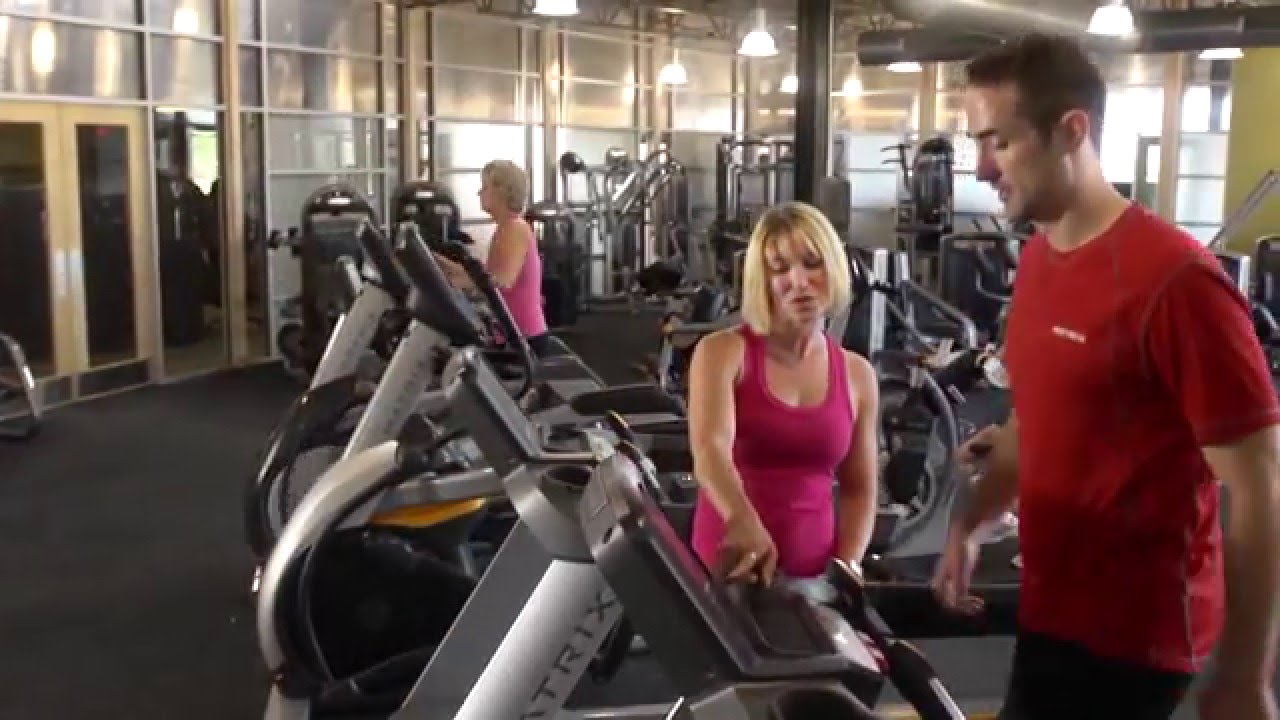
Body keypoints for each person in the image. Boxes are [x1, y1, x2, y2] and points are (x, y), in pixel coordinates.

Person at [930, 33, 1280, 720]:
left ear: (1071, 131)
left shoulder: (1177, 282)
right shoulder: (1037, 262)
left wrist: (1245, 676)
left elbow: (1259, 485)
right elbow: (1033, 420)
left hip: (1140, 644)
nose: (981, 167)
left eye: (1000, 142)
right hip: (1052, 611)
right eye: (977, 143)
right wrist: (971, 522)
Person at [686, 201, 879, 584]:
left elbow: (859, 490)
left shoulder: (858, 374)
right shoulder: (722, 353)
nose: (799, 281)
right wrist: (743, 521)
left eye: (812, 263)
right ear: (764, 280)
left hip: (814, 580)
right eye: (780, 268)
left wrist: (847, 568)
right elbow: (710, 453)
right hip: (731, 568)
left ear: (834, 268)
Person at [435, 160, 554, 357]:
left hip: (523, 340)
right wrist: (438, 264)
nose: (479, 193)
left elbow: (503, 281)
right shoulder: (505, 227)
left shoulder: (514, 228)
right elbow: (488, 276)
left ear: (502, 191)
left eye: (485, 187)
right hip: (510, 335)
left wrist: (465, 281)